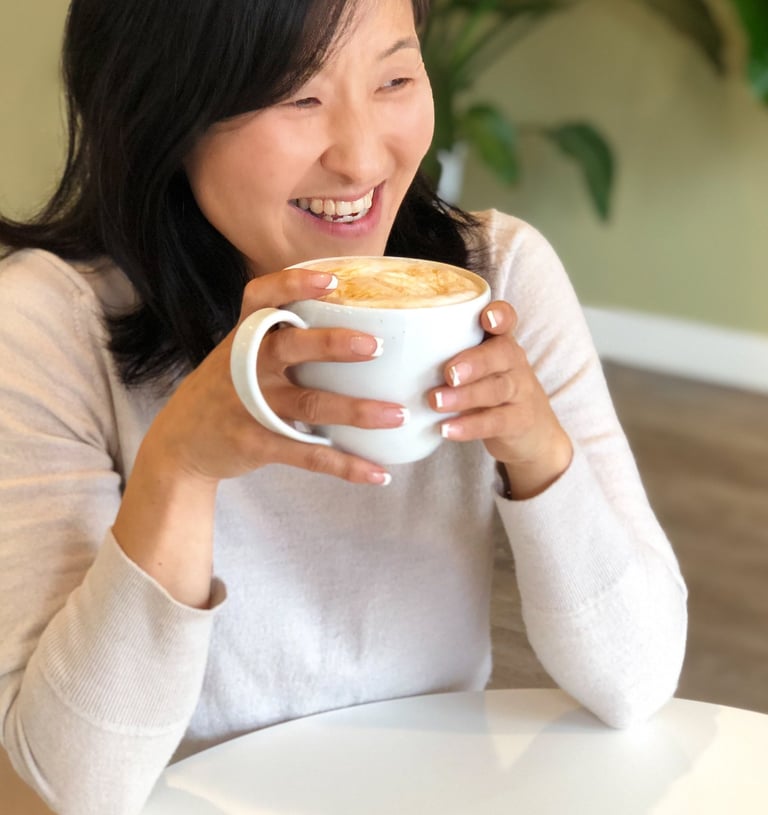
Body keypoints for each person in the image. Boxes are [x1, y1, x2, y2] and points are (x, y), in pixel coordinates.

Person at [0, 0, 687, 813]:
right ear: (164, 105)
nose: (363, 157)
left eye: (395, 77)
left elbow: (638, 679)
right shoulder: (50, 323)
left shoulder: (498, 281)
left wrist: (541, 454)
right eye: (299, 97)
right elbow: (71, 785)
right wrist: (179, 471)